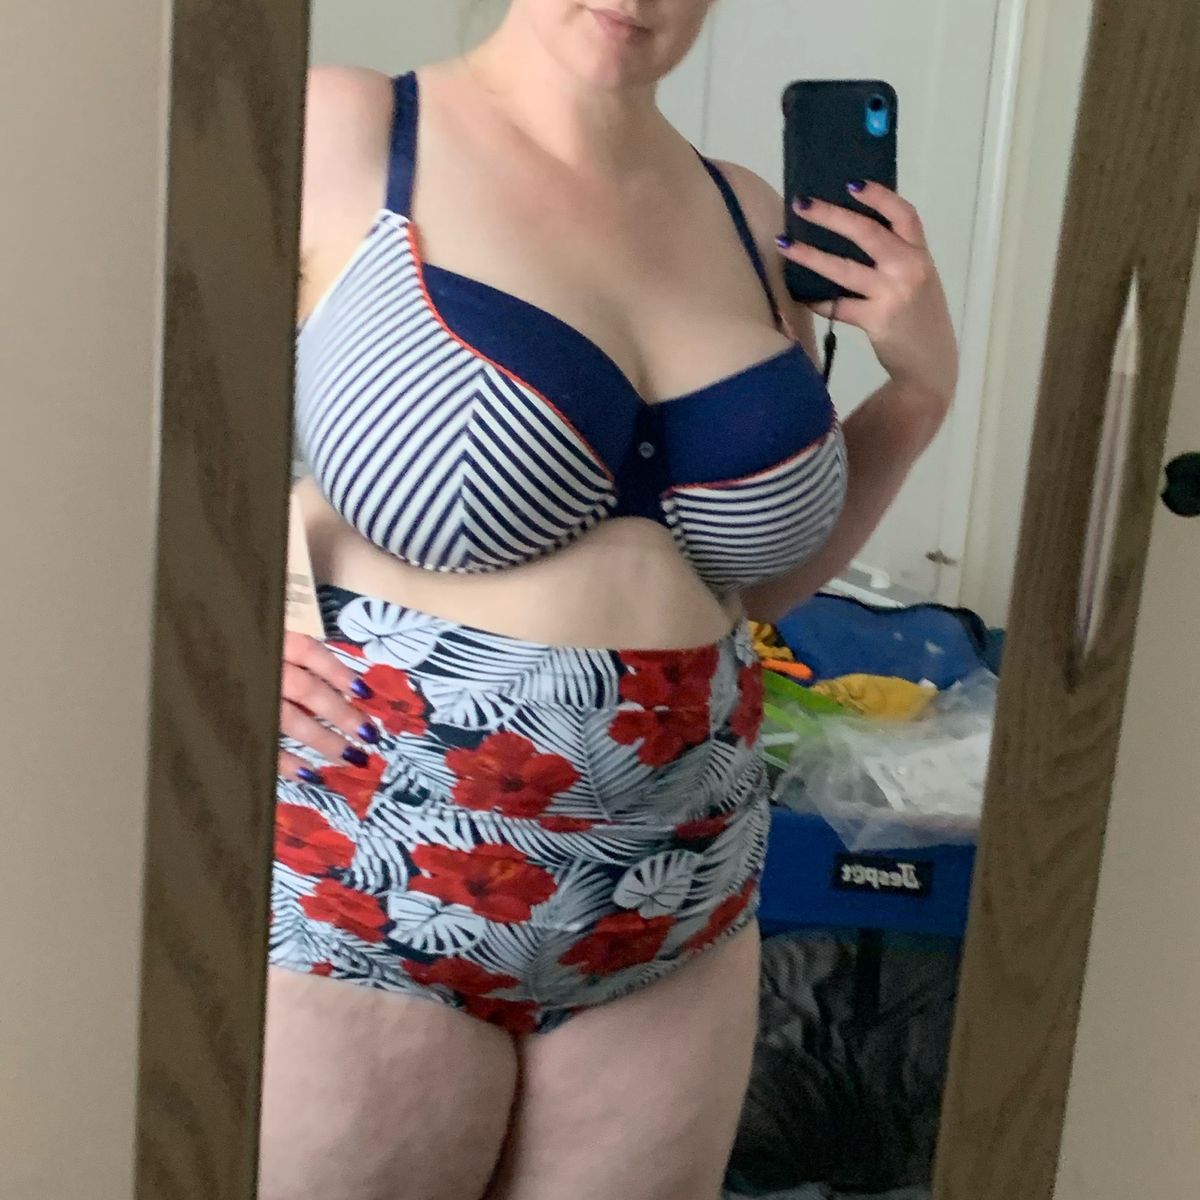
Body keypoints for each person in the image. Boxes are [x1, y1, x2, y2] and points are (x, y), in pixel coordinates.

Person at [260, 2, 957, 1198]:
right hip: (379, 874)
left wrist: (920, 389)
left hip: (682, 894)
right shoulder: (347, 128)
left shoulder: (749, 215)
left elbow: (756, 582)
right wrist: (208, 619)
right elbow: (118, 384)